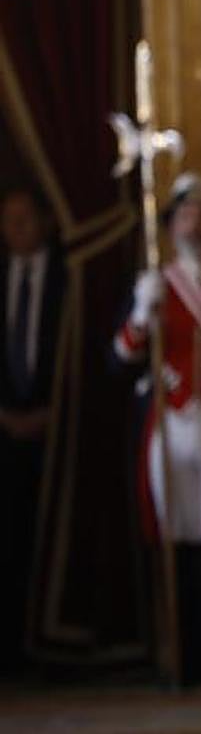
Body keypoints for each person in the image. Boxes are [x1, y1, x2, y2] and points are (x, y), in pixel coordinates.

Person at [113, 172, 201, 684]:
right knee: (176, 542)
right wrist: (141, 315)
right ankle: (180, 657)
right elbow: (122, 357)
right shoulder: (157, 283)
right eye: (185, 215)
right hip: (171, 426)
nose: (194, 224)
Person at [0, 185, 65, 674]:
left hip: (60, 426)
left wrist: (56, 410)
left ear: (46, 220)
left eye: (25, 218)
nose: (16, 229)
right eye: (8, 220)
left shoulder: (75, 278)